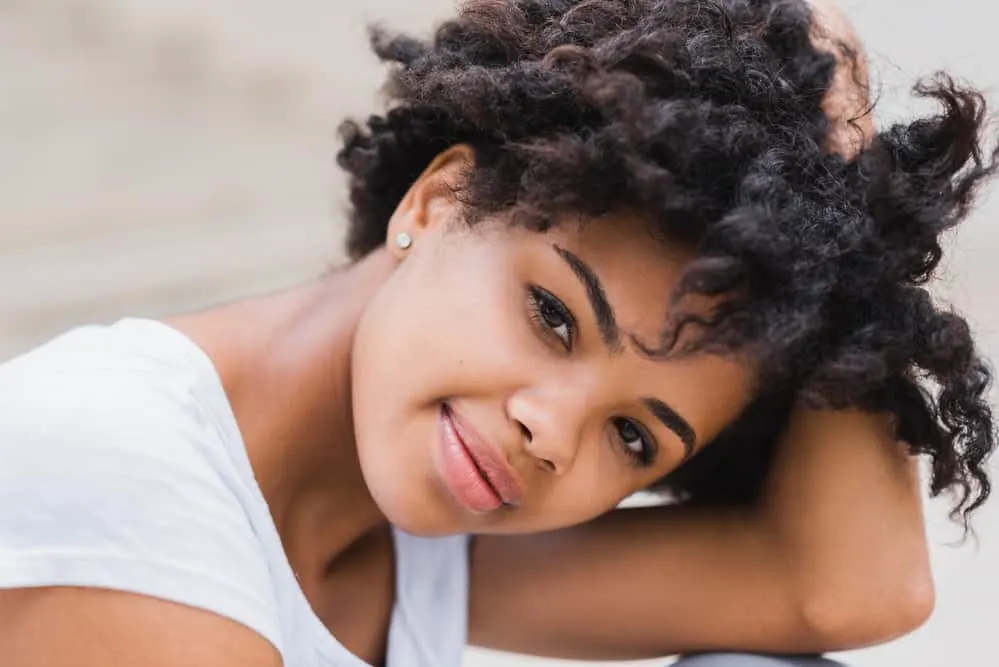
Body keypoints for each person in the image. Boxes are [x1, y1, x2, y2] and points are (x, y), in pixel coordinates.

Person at [0, 1, 994, 666]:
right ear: (436, 200)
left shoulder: (397, 535)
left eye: (635, 436)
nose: (552, 434)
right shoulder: (121, 475)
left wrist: (851, 244)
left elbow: (849, 583)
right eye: (553, 315)